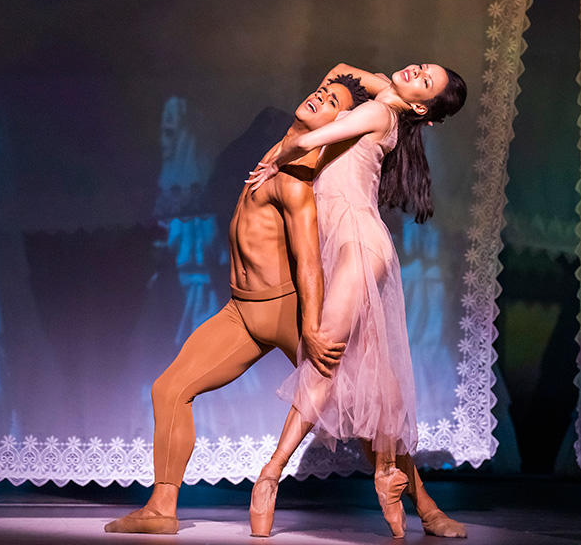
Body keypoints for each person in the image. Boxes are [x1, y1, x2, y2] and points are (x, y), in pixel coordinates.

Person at [105, 74, 464, 537]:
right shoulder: (279, 158)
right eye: (319, 91)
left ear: (341, 122)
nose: (320, 93)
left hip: (286, 314)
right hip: (243, 312)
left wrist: (312, 327)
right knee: (169, 390)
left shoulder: (296, 178)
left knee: (363, 408)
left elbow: (310, 263)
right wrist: (362, 89)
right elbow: (338, 74)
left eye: (330, 101)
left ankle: (428, 508)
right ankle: (161, 508)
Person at [246, 63, 467, 538]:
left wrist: (273, 159)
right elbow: (343, 70)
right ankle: (390, 475)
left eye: (424, 80)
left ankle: (270, 475)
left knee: (325, 351)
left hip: (359, 244)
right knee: (375, 369)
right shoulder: (388, 101)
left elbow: (307, 141)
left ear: (419, 106)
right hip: (346, 242)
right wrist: (391, 87)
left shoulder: (381, 117)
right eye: (423, 67)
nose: (415, 69)